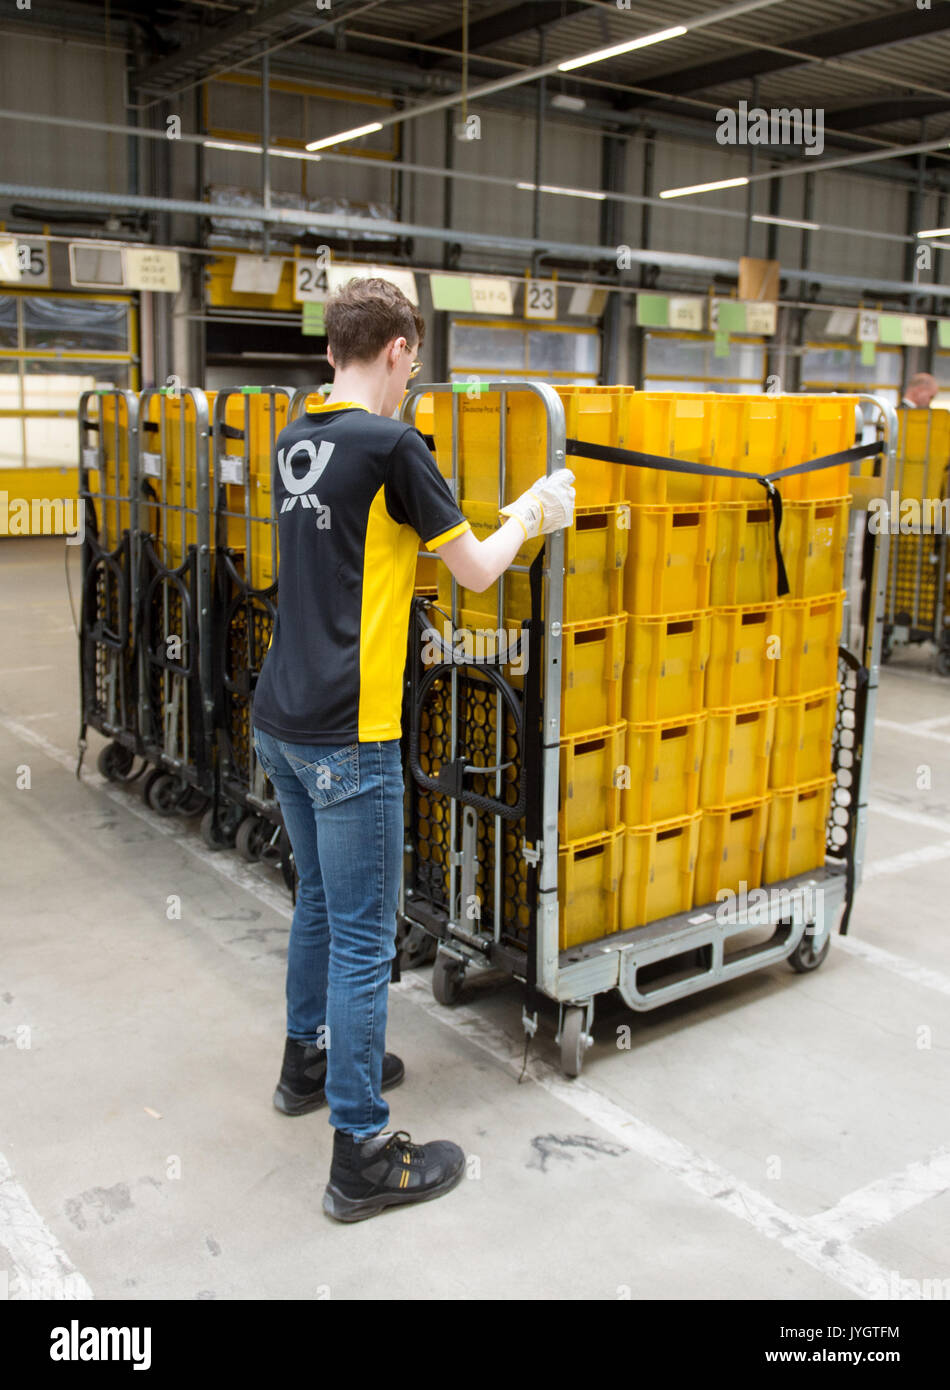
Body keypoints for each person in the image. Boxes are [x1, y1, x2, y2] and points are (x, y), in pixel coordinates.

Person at [250, 277, 576, 1222]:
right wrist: (533, 513)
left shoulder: (295, 440)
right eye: (414, 362)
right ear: (398, 351)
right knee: (361, 936)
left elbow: (388, 547)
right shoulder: (394, 445)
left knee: (319, 899)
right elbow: (472, 567)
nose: (412, 378)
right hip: (354, 732)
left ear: (331, 354)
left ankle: (305, 1060)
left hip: (281, 720)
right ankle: (360, 1150)